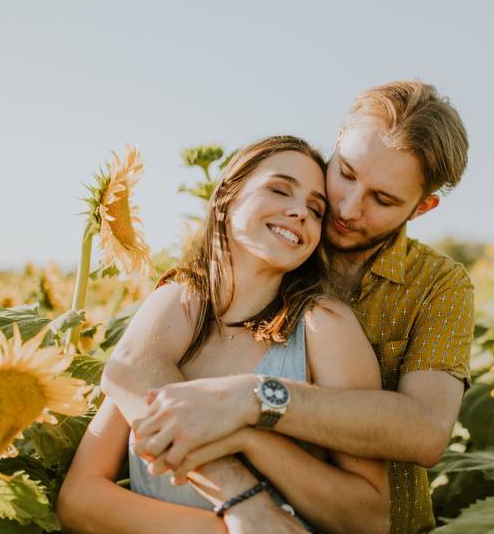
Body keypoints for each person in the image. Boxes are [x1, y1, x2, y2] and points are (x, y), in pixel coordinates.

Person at [104, 80, 474, 533]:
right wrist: (240, 498)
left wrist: (256, 399)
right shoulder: (259, 253)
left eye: (383, 199)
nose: (348, 207)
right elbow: (131, 369)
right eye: (348, 173)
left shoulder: (439, 284)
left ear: (423, 207)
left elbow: (427, 430)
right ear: (337, 143)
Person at [57, 136, 390, 534]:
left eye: (316, 209)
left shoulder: (325, 326)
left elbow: (369, 517)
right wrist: (241, 513)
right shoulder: (175, 307)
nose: (299, 211)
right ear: (226, 198)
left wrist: (250, 436)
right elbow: (79, 499)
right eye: (280, 189)